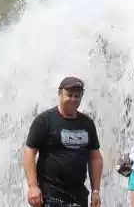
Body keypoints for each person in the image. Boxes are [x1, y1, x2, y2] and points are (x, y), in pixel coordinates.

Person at [23, 76, 102, 207]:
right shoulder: (44, 120)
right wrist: (32, 186)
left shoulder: (87, 123)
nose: (73, 99)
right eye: (69, 95)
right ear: (60, 94)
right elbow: (29, 152)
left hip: (78, 197)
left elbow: (95, 158)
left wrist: (96, 191)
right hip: (50, 195)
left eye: (77, 96)